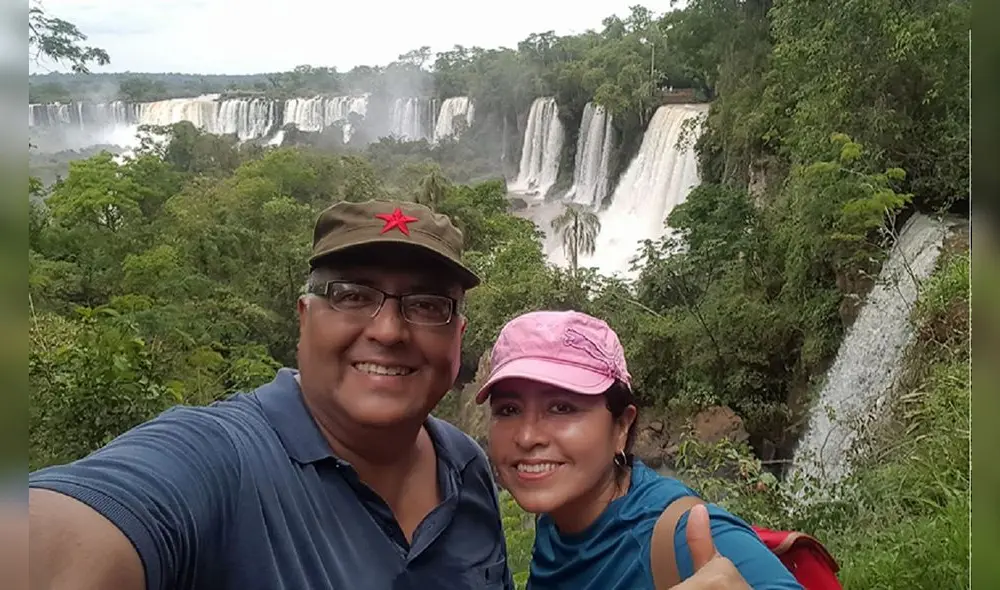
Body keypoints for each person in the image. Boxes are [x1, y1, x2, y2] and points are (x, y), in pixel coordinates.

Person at [28, 200, 514, 590]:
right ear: (305, 318)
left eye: (427, 305)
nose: (388, 331)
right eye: (353, 295)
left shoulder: (466, 466)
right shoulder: (221, 462)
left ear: (459, 335)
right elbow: (62, 535)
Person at [477, 310, 804, 590]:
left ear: (621, 426)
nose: (527, 435)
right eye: (508, 410)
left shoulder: (681, 535)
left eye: (562, 407)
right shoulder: (556, 521)